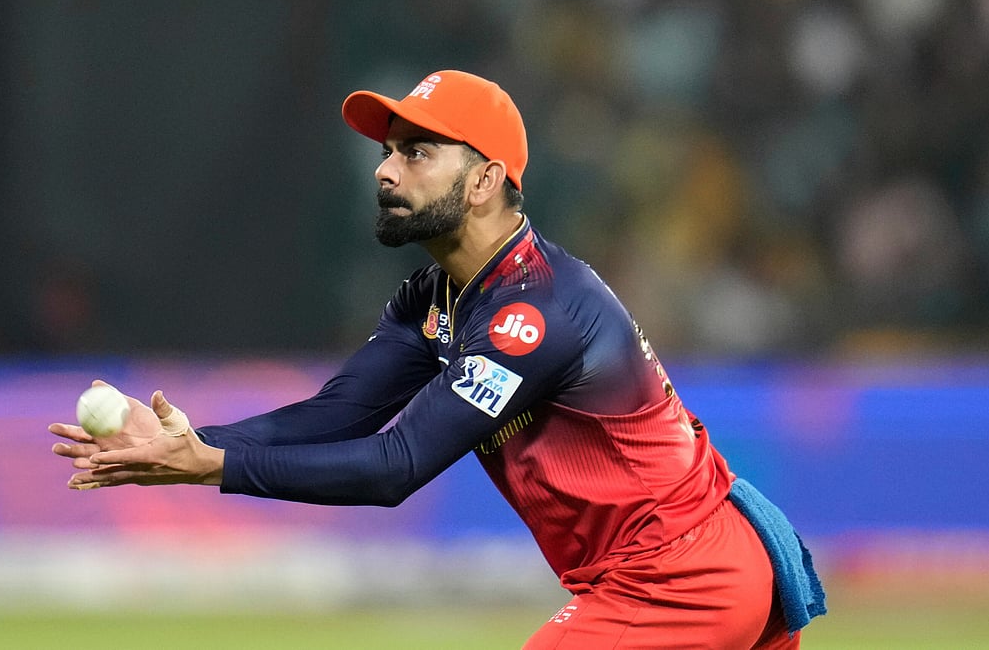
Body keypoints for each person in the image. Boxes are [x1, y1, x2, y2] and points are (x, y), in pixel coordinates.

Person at [50, 69, 825, 648]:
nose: (386, 170)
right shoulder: (436, 297)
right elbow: (334, 415)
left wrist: (211, 468)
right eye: (388, 151)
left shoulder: (536, 311)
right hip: (686, 571)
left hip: (679, 577)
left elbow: (395, 467)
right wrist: (194, 443)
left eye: (417, 151)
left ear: (487, 179)